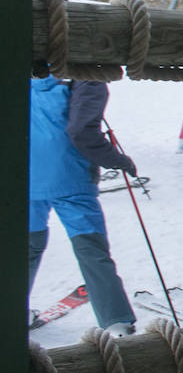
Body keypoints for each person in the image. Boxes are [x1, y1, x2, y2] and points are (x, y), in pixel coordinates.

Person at [29, 75, 138, 335]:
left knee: (25, 247)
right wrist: (117, 160)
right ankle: (116, 322)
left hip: (26, 175)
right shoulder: (88, 77)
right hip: (72, 178)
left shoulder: (27, 75)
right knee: (91, 249)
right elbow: (81, 132)